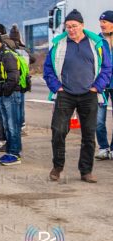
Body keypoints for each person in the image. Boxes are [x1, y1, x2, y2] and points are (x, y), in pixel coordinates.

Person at [44, 9, 112, 183]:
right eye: (68, 26)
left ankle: (86, 171)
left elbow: (106, 68)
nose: (71, 29)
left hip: (89, 94)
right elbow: (48, 68)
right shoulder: (58, 44)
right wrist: (56, 87)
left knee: (89, 134)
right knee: (58, 131)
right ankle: (57, 166)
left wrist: (98, 87)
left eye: (74, 26)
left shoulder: (96, 43)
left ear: (82, 25)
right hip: (65, 94)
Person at [0, 32, 22, 166]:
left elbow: (13, 78)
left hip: (10, 95)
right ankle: (10, 152)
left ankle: (15, 154)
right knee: (7, 125)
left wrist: (3, 91)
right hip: (3, 95)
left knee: (13, 125)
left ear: (0, 43)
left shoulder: (7, 56)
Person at [95, 10, 113, 160]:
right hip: (101, 84)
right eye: (101, 22)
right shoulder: (97, 40)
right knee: (98, 119)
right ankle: (103, 147)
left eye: (105, 22)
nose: (102, 25)